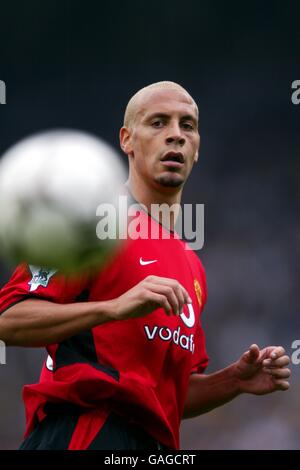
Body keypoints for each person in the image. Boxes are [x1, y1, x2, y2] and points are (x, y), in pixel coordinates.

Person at [0, 81, 290, 450]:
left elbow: (165, 395)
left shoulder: (192, 266)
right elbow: (9, 320)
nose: (176, 136)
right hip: (86, 433)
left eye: (187, 125)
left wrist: (233, 381)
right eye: (158, 122)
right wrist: (113, 308)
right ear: (127, 140)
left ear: (197, 148)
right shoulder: (89, 224)